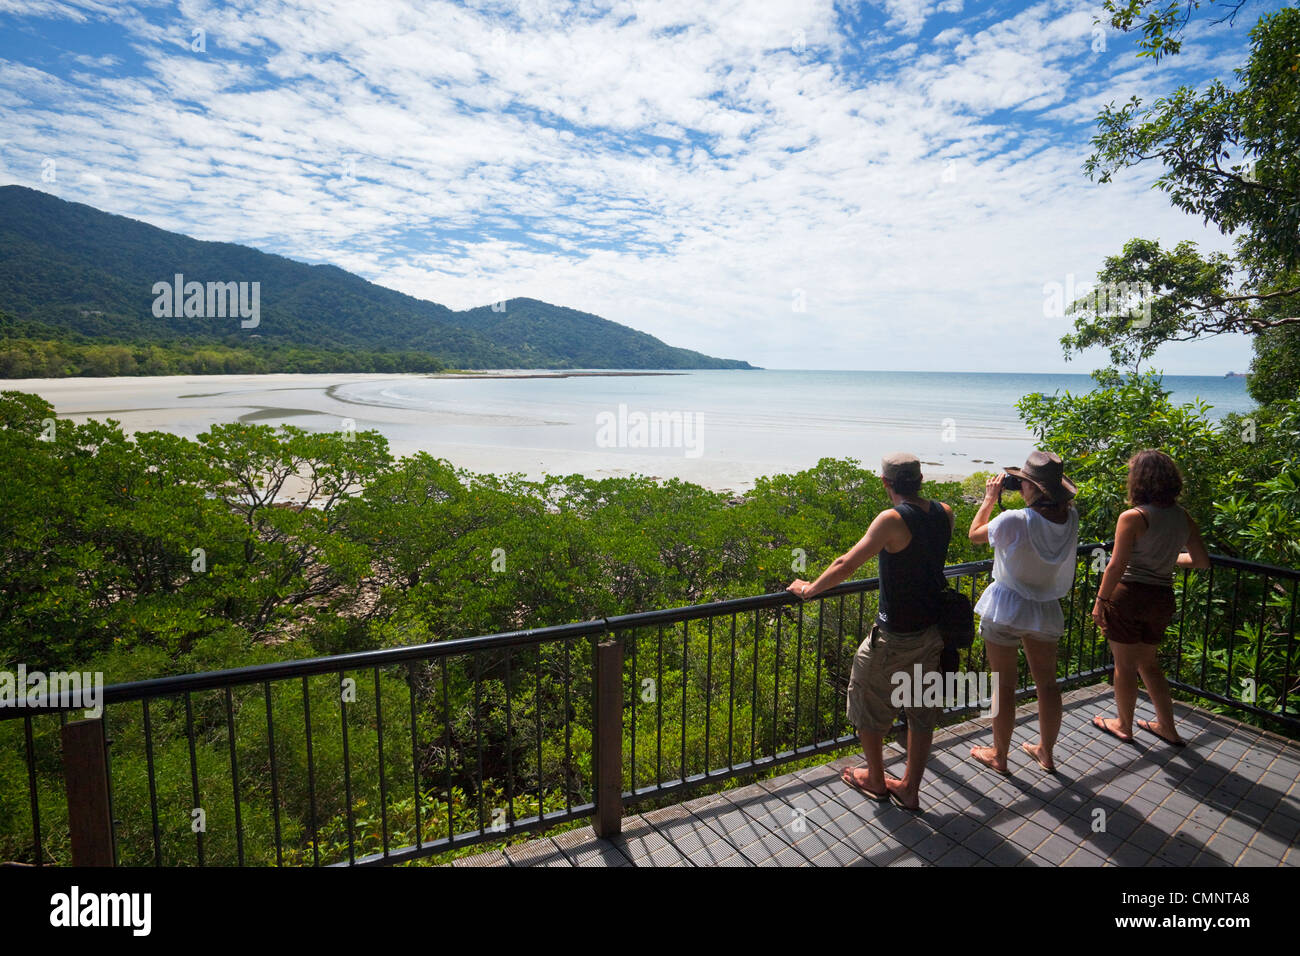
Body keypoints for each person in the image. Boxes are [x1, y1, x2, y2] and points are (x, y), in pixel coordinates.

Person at [788, 452, 953, 811]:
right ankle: (910, 787)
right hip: (931, 631)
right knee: (921, 710)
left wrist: (809, 589)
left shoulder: (891, 520)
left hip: (894, 636)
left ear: (886, 483)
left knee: (867, 703)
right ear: (920, 479)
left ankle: (876, 779)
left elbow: (846, 563)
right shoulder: (945, 512)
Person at [967, 451, 1079, 775]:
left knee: (1003, 686)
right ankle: (1046, 752)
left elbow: (975, 535)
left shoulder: (1014, 519)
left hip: (1006, 607)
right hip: (1044, 610)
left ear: (1033, 487)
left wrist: (989, 499)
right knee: (1047, 684)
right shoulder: (1070, 519)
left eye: (1024, 482)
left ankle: (999, 755)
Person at [1092, 449, 1211, 747]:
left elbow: (1117, 565)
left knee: (1124, 665)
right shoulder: (1183, 517)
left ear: (1139, 481)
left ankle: (1123, 724)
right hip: (1161, 598)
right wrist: (1168, 559)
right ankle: (1168, 727)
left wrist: (1100, 600)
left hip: (1129, 597)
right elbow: (1200, 560)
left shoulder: (1133, 517)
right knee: (1149, 664)